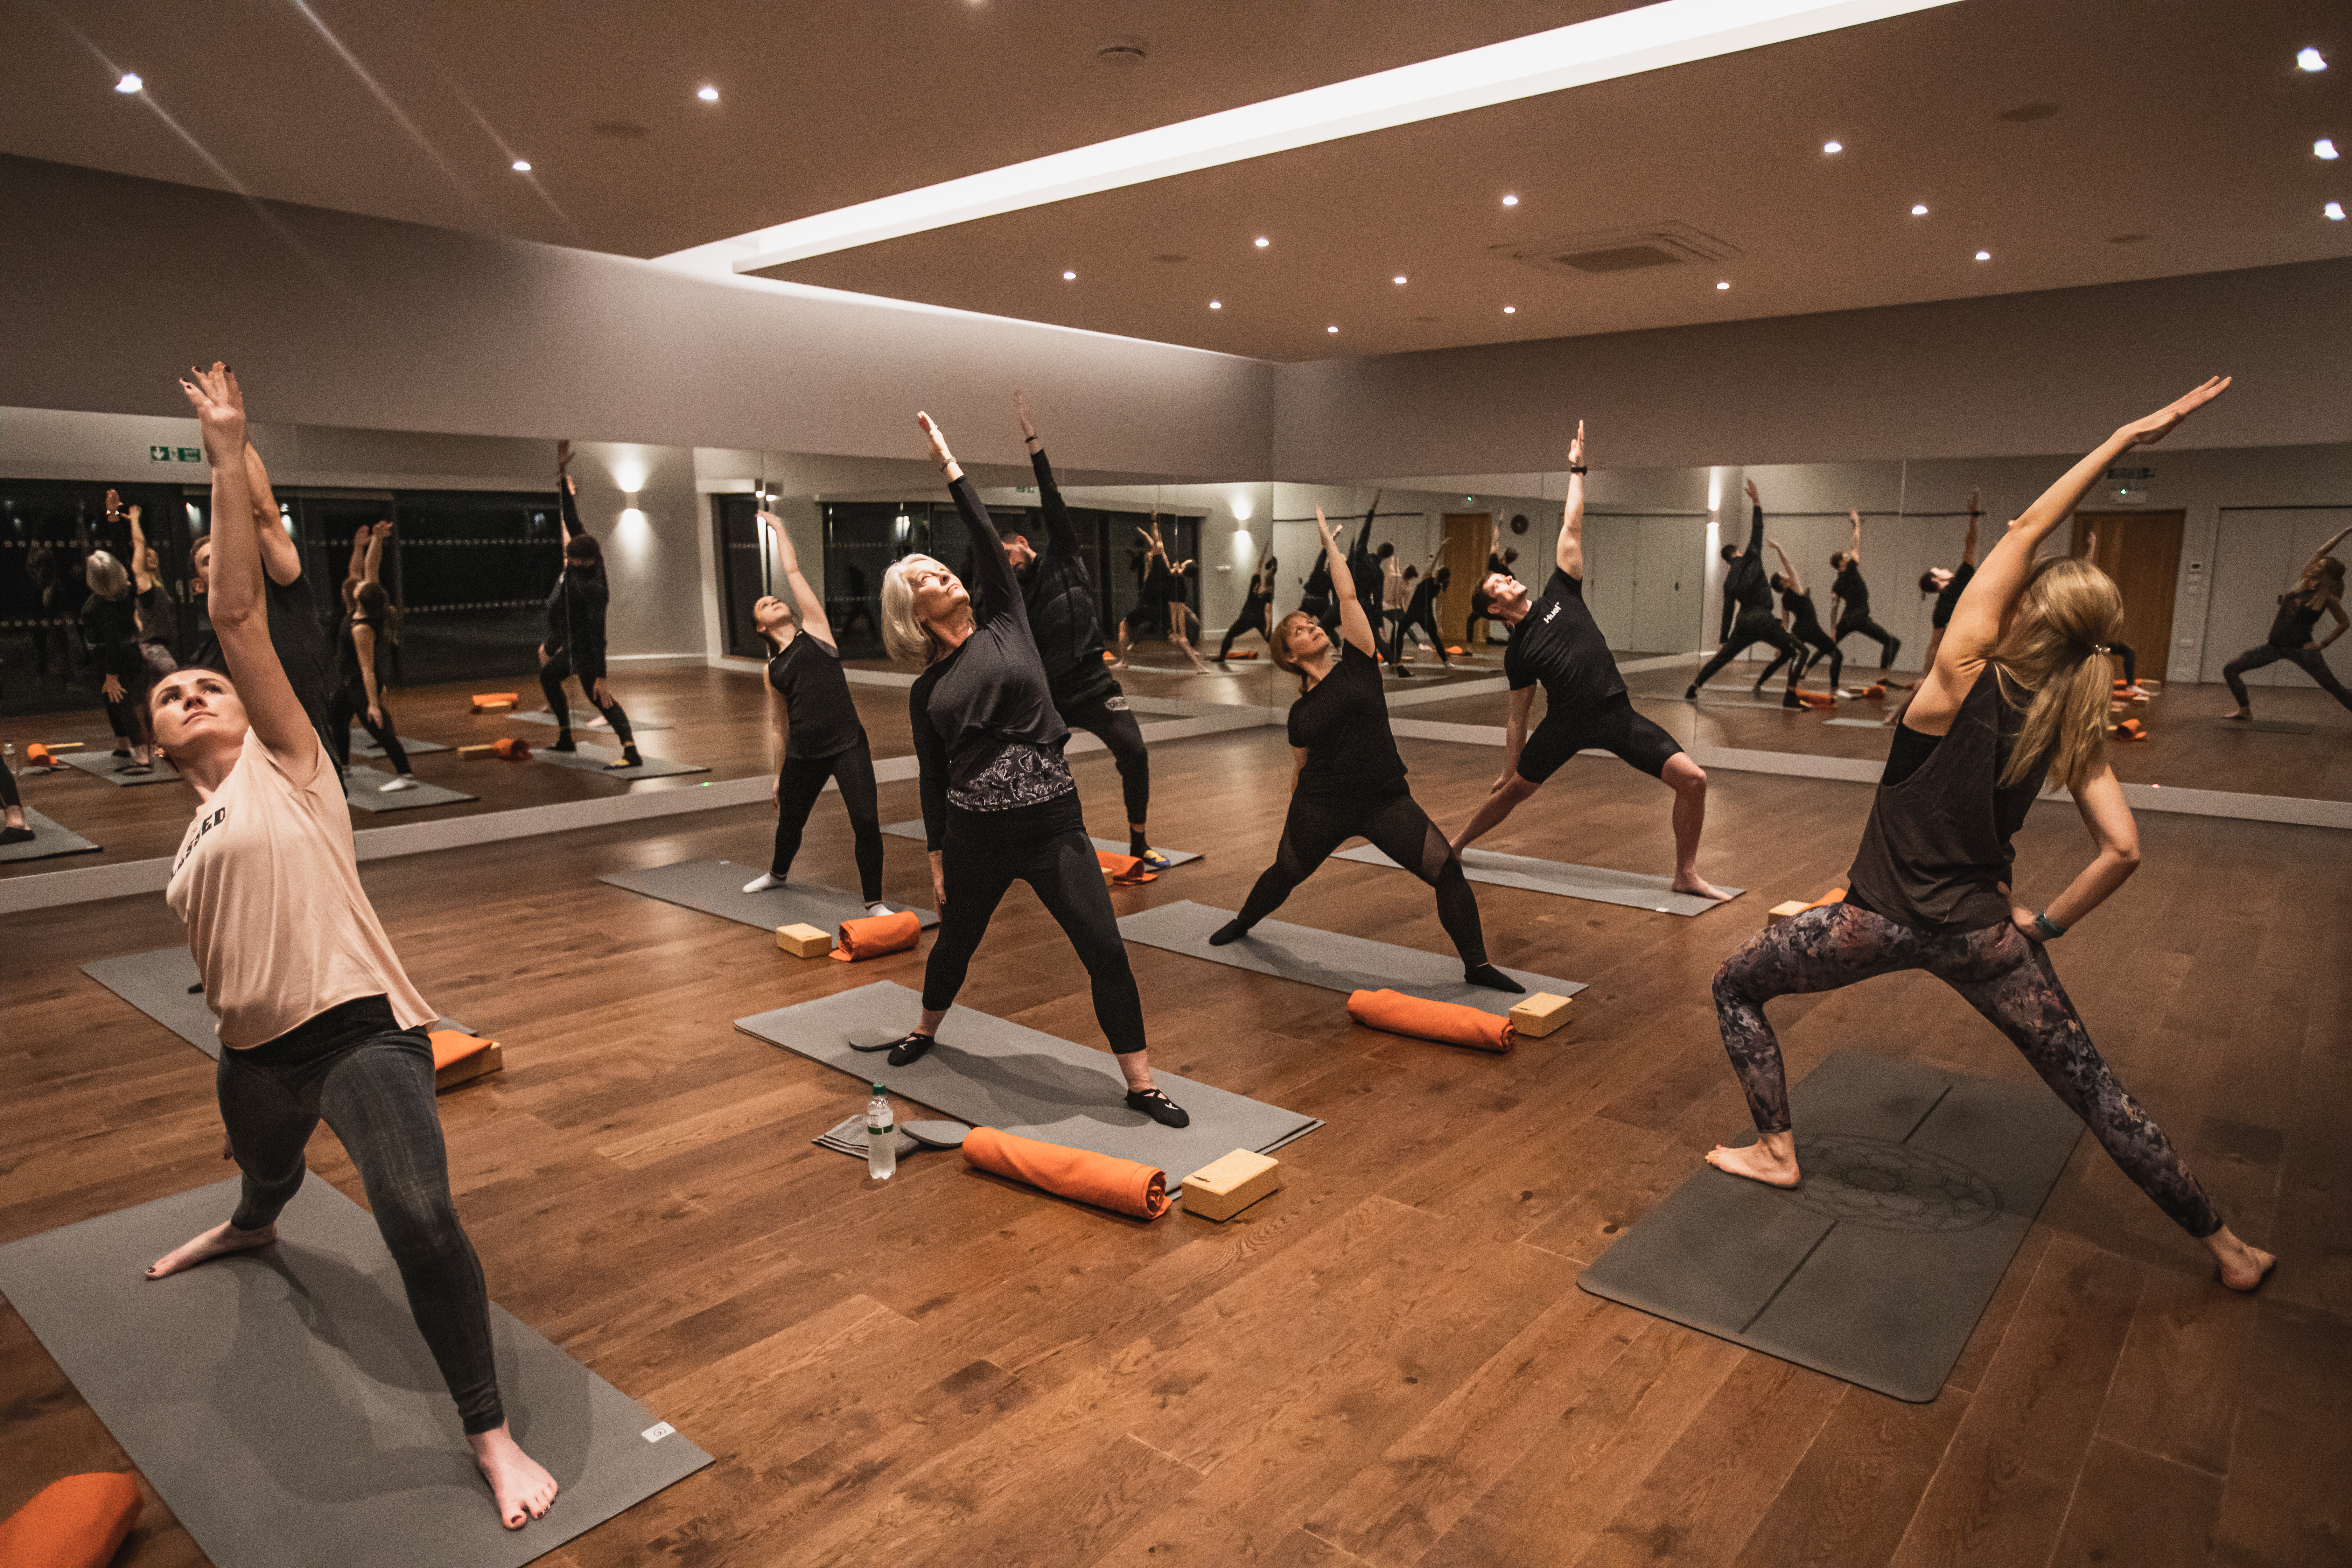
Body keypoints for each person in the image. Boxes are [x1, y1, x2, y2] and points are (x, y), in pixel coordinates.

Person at [1704, 377, 2274, 1294]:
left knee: (1735, 984)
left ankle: (1777, 1150)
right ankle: (2231, 1249)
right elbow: (2123, 850)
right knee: (2097, 1091)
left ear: (2032, 612)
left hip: (1872, 921)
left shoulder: (1959, 670)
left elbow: (2025, 529)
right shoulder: (2070, 723)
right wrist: (2043, 926)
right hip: (1985, 938)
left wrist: (2124, 437)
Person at [145, 362, 560, 1528]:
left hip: (358, 1038)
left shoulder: (289, 768)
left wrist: (228, 452)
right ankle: (253, 1224)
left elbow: (239, 616)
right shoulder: (186, 845)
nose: (194, 693)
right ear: (152, 742)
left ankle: (489, 1436)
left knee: (418, 1218)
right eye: (171, 697)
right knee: (265, 1171)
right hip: (250, 1056)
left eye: (207, 686)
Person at [879, 412, 1189, 1128]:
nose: (942, 572)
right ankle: (925, 1028)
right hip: (975, 839)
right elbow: (932, 778)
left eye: (939, 566)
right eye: (925, 576)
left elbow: (985, 536)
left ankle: (1142, 1084)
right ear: (914, 611)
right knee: (956, 944)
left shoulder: (1006, 621)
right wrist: (935, 857)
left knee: (1105, 950)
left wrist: (949, 464)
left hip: (1054, 828)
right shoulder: (927, 691)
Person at [1213, 507, 1522, 992]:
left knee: (1447, 871)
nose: (1313, 626)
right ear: (1290, 657)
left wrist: (1330, 545)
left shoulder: (1358, 660)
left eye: (1311, 621)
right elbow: (1300, 770)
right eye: (1300, 630)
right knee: (1285, 873)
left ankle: (1477, 966)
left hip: (1384, 799)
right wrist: (1297, 818)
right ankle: (1243, 922)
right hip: (1322, 806)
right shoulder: (1299, 714)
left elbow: (1348, 595)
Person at [1448, 422, 1731, 901]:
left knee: (1694, 780)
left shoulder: (1560, 590)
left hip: (1617, 715)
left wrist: (1578, 470)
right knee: (1514, 792)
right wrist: (1509, 767)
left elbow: (1572, 525)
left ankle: (1686, 874)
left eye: (1505, 576)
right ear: (1494, 608)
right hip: (1565, 725)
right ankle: (1456, 845)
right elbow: (1517, 717)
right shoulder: (1518, 653)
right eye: (1499, 584)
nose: (1508, 578)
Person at [1007, 392, 1171, 866]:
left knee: (1134, 752)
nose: (1008, 565)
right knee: (1027, 766)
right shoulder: (1017, 597)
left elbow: (1052, 498)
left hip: (1096, 684)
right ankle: (1028, 844)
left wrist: (1033, 442)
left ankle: (1139, 842)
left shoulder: (1064, 555)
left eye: (1008, 555)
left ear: (1022, 543)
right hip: (1051, 695)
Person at [741, 510, 891, 910]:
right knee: (791, 822)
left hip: (847, 743)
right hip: (804, 753)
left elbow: (792, 571)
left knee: (866, 821)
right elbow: (779, 725)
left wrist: (780, 527)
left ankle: (874, 903)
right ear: (760, 627)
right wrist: (779, 774)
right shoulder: (772, 670)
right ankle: (777, 874)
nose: (774, 601)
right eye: (765, 604)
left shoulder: (817, 630)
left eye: (775, 598)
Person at [185, 442, 338, 759]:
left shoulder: (288, 600)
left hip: (312, 770)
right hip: (245, 776)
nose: (225, 561)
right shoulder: (204, 661)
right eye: (211, 560)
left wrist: (235, 439)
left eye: (228, 553)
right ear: (198, 585)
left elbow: (265, 515)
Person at [539, 473, 644, 769]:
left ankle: (631, 751)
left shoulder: (594, 588)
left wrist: (602, 676)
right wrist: (563, 479)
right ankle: (565, 737)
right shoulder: (585, 547)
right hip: (571, 641)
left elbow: (599, 634)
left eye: (572, 561)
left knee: (599, 696)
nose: (568, 563)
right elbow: (571, 517)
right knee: (548, 677)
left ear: (586, 561)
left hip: (585, 649)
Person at [1686, 479, 1806, 708]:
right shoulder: (1751, 556)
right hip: (1763, 620)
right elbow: (1757, 529)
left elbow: (1728, 612)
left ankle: (1693, 687)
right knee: (1800, 651)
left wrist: (1723, 640)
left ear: (1727, 561)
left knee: (1723, 658)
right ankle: (1789, 696)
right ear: (1738, 552)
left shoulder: (1729, 581)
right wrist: (1756, 502)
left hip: (1743, 624)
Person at [2219, 524, 2352, 721]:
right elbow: (2321, 551)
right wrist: (2347, 531)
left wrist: (2324, 643)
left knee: (2334, 688)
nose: (2314, 566)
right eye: (2316, 564)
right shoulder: (2303, 584)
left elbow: (2344, 623)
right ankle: (2245, 711)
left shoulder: (2327, 598)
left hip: (2302, 650)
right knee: (2231, 670)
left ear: (2326, 575)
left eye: (2320, 567)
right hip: (2274, 647)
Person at [327, 525, 420, 793]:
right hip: (348, 682)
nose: (358, 583)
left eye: (362, 586)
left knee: (379, 727)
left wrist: (374, 704)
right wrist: (370, 542)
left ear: (362, 599)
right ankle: (344, 766)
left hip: (360, 684)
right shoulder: (359, 608)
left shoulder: (363, 628)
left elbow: (367, 668)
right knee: (336, 719)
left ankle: (406, 775)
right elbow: (365, 569)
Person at [1883, 490, 1983, 726]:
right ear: (1938, 580)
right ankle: (1899, 715)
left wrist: (1927, 672)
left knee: (1929, 684)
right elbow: (1970, 545)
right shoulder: (1956, 585)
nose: (1944, 568)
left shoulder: (1943, 602)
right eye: (1939, 570)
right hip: (1966, 645)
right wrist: (1973, 517)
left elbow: (1934, 644)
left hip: (1960, 645)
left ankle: (1897, 715)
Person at [81, 547, 155, 773]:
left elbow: (114, 644)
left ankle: (143, 756)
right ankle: (122, 746)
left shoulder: (100, 608)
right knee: (113, 703)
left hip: (114, 660)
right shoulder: (127, 592)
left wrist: (111, 676)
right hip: (126, 656)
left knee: (122, 704)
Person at [1751, 538, 1842, 696]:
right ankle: (1834, 688)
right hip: (1812, 630)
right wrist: (1779, 549)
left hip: (1798, 631)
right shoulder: (1795, 588)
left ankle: (1760, 683)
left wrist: (1780, 645)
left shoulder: (1784, 600)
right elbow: (1789, 565)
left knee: (1785, 658)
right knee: (1837, 655)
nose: (1787, 573)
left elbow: (1785, 625)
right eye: (1784, 574)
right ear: (1784, 582)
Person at [1827, 510, 1900, 672]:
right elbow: (1856, 545)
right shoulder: (1852, 569)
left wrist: (1833, 629)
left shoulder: (1836, 585)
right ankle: (1883, 676)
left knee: (1829, 644)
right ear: (1842, 563)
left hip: (1847, 620)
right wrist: (1856, 525)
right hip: (1861, 619)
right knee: (1892, 642)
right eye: (1846, 557)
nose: (1849, 557)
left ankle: (1805, 669)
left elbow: (1834, 609)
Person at [2077, 527, 2144, 698]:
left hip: (2099, 641)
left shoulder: (2096, 596)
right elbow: (2087, 567)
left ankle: (2130, 686)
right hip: (2089, 642)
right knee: (2099, 656)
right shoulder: (2082, 594)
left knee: (2127, 652)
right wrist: (2093, 546)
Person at [121, 492, 183, 677]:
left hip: (164, 644)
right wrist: (135, 520)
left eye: (154, 556)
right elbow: (140, 544)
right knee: (173, 677)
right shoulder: (143, 580)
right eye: (148, 557)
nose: (153, 558)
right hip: (154, 646)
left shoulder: (158, 583)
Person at [1389, 561, 1454, 672]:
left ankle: (1397, 661)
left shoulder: (1427, 579)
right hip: (1426, 614)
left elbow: (1432, 566)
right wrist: (1439, 626)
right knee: (1435, 638)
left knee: (1399, 633)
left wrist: (1440, 551)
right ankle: (1446, 662)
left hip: (1413, 612)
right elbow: (1439, 610)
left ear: (1438, 573)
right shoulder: (1439, 589)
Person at [1217, 546, 1278, 662]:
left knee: (1230, 635)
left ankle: (1222, 657)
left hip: (1247, 618)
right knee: (1271, 640)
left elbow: (1258, 568)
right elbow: (1268, 611)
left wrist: (1264, 553)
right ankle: (1284, 657)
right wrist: (1269, 627)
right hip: (1260, 620)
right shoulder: (1269, 592)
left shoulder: (1255, 584)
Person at [1464, 518, 1517, 650]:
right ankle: (1518, 650)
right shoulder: (1510, 575)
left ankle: (1469, 649)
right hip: (1499, 607)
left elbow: (1495, 543)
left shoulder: (1494, 562)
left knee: (1471, 620)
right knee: (1511, 627)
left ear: (1504, 556)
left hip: (1486, 604)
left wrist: (1498, 525)